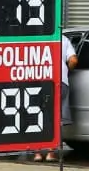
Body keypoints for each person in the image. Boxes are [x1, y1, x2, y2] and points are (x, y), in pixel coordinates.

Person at [34, 33, 79, 163]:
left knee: (37, 115)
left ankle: (37, 153)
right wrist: (66, 71)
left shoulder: (37, 38)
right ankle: (51, 153)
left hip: (39, 81)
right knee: (56, 118)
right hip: (60, 82)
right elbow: (73, 60)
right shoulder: (63, 39)